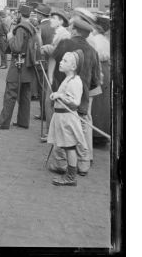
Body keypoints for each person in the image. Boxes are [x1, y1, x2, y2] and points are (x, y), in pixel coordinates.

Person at [46, 17, 101, 175]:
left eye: (71, 27)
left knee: (63, 130)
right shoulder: (92, 50)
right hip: (82, 99)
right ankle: (83, 165)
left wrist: (51, 79)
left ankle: (61, 164)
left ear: (75, 30)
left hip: (63, 97)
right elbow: (95, 80)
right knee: (81, 131)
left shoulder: (64, 44)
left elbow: (53, 58)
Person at [0, 5, 42, 130]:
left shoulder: (20, 28)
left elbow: (17, 47)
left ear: (19, 14)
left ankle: (3, 122)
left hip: (18, 66)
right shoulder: (32, 28)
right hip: (28, 66)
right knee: (25, 94)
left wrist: (10, 38)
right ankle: (23, 122)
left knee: (10, 93)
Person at [47, 50, 88, 186]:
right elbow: (66, 95)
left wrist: (60, 96)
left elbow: (75, 101)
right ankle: (69, 174)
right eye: (62, 59)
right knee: (67, 147)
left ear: (73, 67)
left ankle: (71, 177)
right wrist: (57, 94)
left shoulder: (75, 81)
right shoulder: (68, 78)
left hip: (67, 119)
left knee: (70, 148)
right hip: (62, 117)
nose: (60, 62)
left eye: (65, 61)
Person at [40, 8, 71, 141]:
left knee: (50, 102)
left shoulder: (63, 35)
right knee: (50, 102)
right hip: (55, 71)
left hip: (58, 72)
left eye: (53, 18)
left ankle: (51, 133)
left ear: (60, 21)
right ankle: (51, 131)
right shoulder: (59, 33)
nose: (51, 20)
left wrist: (48, 48)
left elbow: (58, 54)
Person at [32, 4, 53, 118]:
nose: (36, 16)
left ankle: (44, 113)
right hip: (53, 62)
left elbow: (37, 47)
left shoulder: (40, 28)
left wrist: (36, 60)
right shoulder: (54, 26)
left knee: (42, 88)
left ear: (40, 15)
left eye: (37, 14)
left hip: (42, 62)